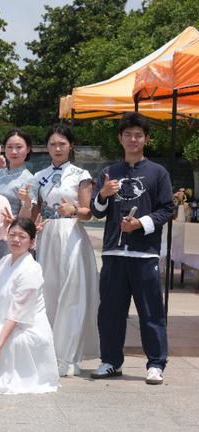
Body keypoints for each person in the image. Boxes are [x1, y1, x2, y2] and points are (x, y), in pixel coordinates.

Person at [90, 112, 174, 385]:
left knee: (151, 312)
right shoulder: (108, 172)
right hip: (113, 253)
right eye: (128, 135)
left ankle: (156, 364)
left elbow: (168, 209)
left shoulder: (158, 172)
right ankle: (110, 361)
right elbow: (96, 211)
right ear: (120, 138)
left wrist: (140, 223)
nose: (133, 139)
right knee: (110, 312)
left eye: (138, 135)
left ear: (146, 139)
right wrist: (103, 194)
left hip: (144, 253)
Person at [33, 124, 99, 377]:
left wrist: (73, 210)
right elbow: (36, 210)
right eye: (52, 144)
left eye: (62, 143)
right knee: (48, 294)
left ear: (71, 145)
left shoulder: (81, 174)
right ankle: (49, 352)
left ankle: (70, 356)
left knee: (72, 295)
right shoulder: (40, 176)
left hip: (71, 235)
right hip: (47, 236)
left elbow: (88, 212)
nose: (57, 148)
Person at [0, 217, 59, 394]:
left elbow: (16, 314)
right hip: (4, 320)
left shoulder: (30, 270)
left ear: (32, 242)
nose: (16, 240)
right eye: (12, 235)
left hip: (26, 328)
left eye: (22, 236)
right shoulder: (5, 260)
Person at [0, 129, 36, 260]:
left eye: (19, 147)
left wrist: (27, 202)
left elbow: (25, 219)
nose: (14, 152)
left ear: (28, 149)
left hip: (9, 236)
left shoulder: (29, 179)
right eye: (9, 147)